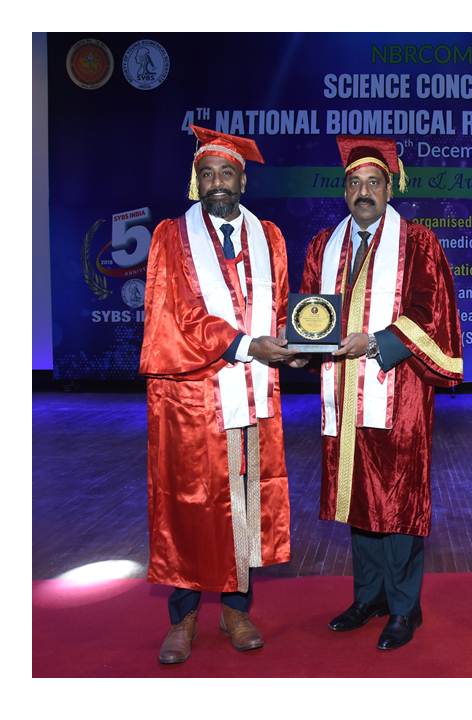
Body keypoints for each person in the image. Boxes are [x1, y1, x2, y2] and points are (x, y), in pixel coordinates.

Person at [140, 126, 305, 664]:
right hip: (194, 400)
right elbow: (175, 314)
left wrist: (291, 346)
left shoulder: (269, 237)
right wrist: (244, 344)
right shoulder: (172, 236)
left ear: (243, 180)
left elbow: (278, 307)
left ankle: (236, 610)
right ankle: (184, 616)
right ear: (197, 181)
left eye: (226, 173)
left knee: (246, 500)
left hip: (252, 395)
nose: (217, 183)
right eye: (207, 173)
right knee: (190, 504)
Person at [300, 136, 462, 650]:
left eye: (373, 182)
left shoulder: (418, 243)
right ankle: (368, 596)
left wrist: (375, 341)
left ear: (390, 188)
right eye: (355, 183)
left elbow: (431, 314)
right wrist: (301, 346)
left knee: (398, 500)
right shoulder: (324, 245)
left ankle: (404, 607)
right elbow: (312, 314)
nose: (364, 192)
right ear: (344, 190)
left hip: (399, 393)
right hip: (342, 392)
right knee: (357, 498)